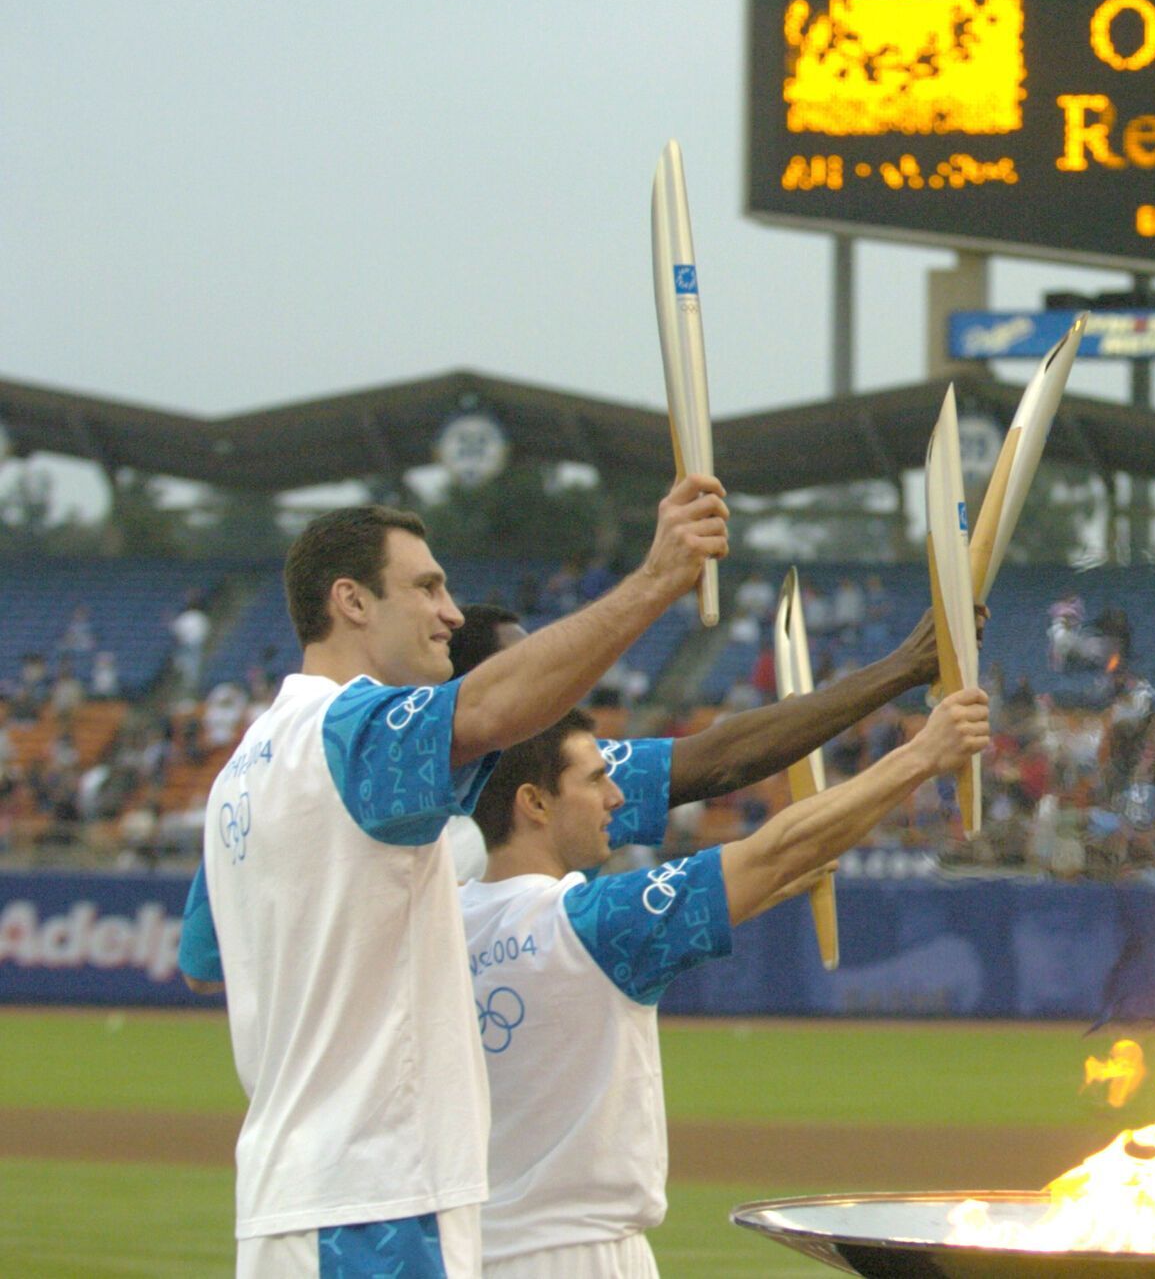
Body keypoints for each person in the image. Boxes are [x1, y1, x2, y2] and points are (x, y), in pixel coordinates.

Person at [176, 478, 727, 1277]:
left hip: (293, 1199)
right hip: (373, 1203)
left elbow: (203, 966)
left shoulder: (243, 769)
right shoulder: (349, 732)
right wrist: (656, 581)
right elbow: (493, 710)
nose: (452, 613)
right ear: (352, 602)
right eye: (427, 587)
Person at [462, 692, 988, 1276]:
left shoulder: (442, 922)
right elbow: (778, 849)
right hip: (576, 1257)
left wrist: (762, 882)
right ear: (534, 802)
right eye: (596, 781)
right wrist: (922, 756)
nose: (616, 797)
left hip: (469, 1249)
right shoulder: (591, 924)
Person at [441, 598, 967, 885]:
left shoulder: (553, 775)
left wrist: (773, 880)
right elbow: (722, 761)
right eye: (522, 669)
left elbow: (725, 762)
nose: (548, 680)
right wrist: (901, 677)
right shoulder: (418, 811)